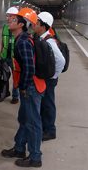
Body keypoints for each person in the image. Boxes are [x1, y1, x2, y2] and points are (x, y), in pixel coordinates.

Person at [1, 8, 46, 168]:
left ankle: (35, 157)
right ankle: (20, 148)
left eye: (13, 20)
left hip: (31, 87)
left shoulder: (23, 42)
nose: (9, 21)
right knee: (24, 119)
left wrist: (24, 87)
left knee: (33, 122)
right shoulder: (21, 39)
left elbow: (29, 67)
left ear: (21, 24)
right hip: (28, 86)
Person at [32, 12, 65, 141]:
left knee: (48, 104)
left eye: (37, 23)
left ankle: (50, 130)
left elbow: (61, 61)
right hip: (47, 78)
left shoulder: (49, 41)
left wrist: (53, 76)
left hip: (49, 79)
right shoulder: (41, 38)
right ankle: (46, 127)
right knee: (45, 104)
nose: (34, 24)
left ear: (44, 26)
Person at [0, 7, 20, 104]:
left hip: (14, 58)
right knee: (4, 76)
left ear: (15, 17)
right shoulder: (5, 27)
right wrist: (0, 53)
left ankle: (15, 96)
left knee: (15, 77)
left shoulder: (18, 28)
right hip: (4, 56)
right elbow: (2, 41)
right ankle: (4, 93)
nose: (8, 18)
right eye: (7, 16)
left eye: (10, 16)